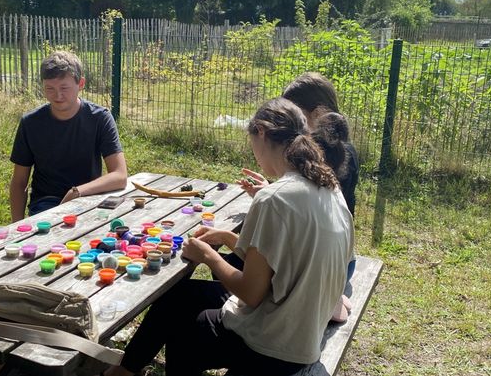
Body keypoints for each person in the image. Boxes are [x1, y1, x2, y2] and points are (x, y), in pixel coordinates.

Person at [104, 98, 354, 376]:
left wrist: (208, 257)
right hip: (304, 331)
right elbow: (285, 260)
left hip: (274, 344)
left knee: (184, 332)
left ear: (260, 131)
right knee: (178, 297)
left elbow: (251, 293)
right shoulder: (329, 189)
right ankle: (124, 371)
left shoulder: (274, 198)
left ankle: (124, 370)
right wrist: (227, 238)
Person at [238, 72, 359, 321]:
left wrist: (272, 194)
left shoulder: (327, 153)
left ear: (317, 112)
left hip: (329, 264)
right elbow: (308, 203)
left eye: (295, 112)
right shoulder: (330, 150)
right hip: (336, 255)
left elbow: (308, 209)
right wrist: (272, 189)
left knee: (242, 266)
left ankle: (328, 302)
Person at [9, 51, 127, 220]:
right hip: (45, 203)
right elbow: (19, 182)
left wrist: (77, 192)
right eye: (50, 88)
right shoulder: (30, 122)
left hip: (89, 199)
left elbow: (120, 175)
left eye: (64, 88)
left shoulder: (100, 118)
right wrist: (16, 226)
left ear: (81, 84)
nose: (58, 96)